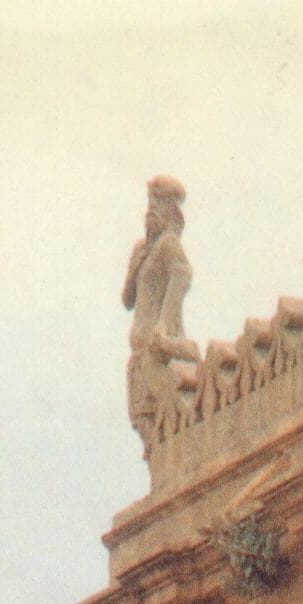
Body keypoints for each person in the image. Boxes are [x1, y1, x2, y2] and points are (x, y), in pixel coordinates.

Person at [123, 178, 196, 446]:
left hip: (158, 350)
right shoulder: (143, 250)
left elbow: (183, 275)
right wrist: (133, 269)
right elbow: (127, 300)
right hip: (140, 353)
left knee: (165, 428)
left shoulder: (168, 244)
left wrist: (164, 324)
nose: (150, 210)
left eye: (157, 204)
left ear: (170, 210)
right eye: (149, 204)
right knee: (144, 426)